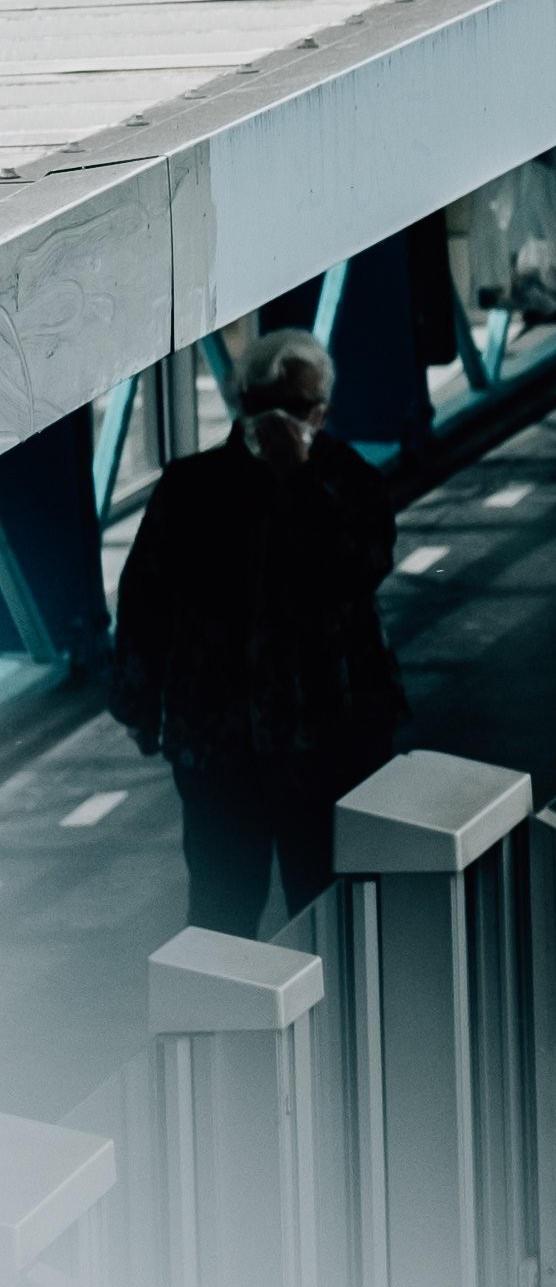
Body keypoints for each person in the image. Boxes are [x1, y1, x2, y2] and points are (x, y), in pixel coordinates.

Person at [107, 331, 406, 936]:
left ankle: (334, 1023)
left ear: (319, 412)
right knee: (222, 905)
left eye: (293, 407)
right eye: (261, 402)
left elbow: (356, 569)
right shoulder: (189, 488)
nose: (274, 420)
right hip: (222, 746)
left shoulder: (349, 483)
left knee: (328, 906)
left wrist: (297, 481)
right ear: (239, 401)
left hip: (325, 743)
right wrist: (138, 708)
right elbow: (146, 604)